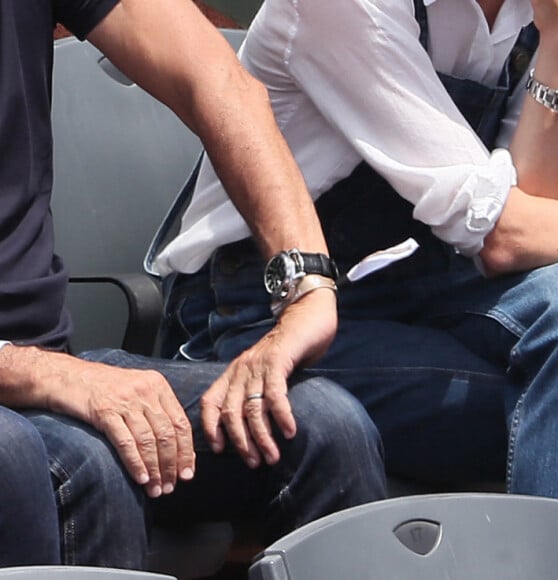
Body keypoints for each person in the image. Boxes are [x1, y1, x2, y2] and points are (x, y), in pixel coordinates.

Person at [0, 0, 387, 570]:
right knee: (81, 467)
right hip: (26, 391)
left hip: (48, 364)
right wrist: (37, 372)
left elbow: (216, 78)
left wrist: (305, 285)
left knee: (322, 426)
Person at [152, 0, 558, 505]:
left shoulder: (539, 16)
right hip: (265, 318)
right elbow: (504, 234)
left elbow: (542, 231)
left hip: (425, 291)